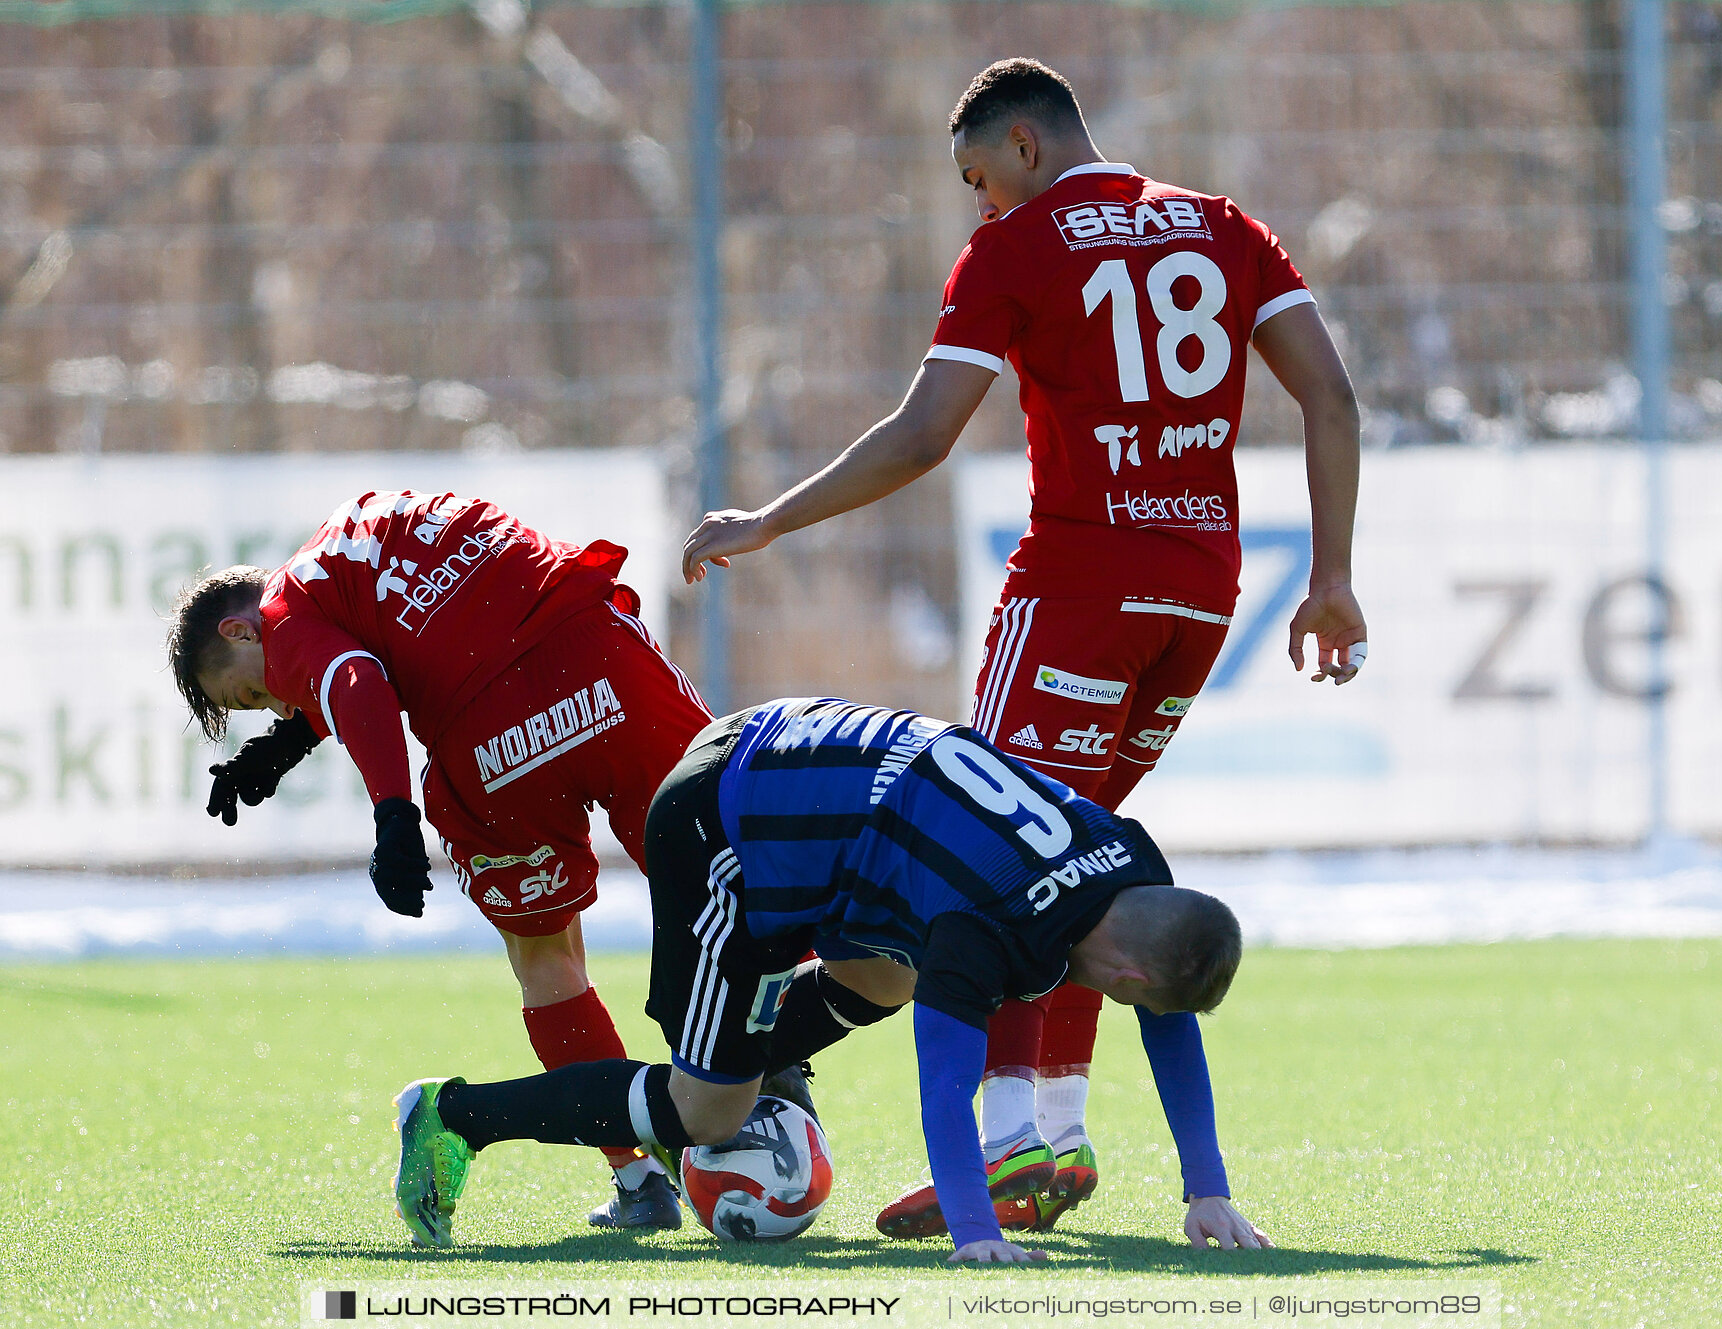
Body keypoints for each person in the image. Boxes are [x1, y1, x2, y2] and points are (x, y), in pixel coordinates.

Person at [680, 57, 1367, 1237]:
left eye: (977, 177)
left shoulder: (1020, 248)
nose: (977, 204)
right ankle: (1055, 1129)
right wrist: (1336, 579)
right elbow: (1334, 400)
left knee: (991, 857)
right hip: (1199, 599)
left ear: (1025, 146)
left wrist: (770, 519)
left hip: (1079, 593)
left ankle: (1006, 1145)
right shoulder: (1223, 227)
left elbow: (921, 436)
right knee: (1083, 852)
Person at [391, 696, 1269, 1260]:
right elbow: (945, 1089)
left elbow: (1170, 1015)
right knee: (707, 1109)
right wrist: (976, 1233)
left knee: (881, 981)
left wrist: (1208, 1187)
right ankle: (453, 1115)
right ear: (1131, 964)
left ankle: (750, 1057)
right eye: (1130, 994)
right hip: (729, 824)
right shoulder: (982, 928)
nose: (1122, 1006)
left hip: (822, 792)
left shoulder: (1135, 862)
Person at [166, 489, 714, 1230]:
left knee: (547, 961)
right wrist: (294, 740)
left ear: (240, 625)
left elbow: (354, 676)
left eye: (255, 692)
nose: (278, 706)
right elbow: (407, 635)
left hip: (493, 739)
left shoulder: (284, 614)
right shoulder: (343, 547)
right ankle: (768, 1109)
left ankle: (639, 1179)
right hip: (598, 660)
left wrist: (393, 814)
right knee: (732, 888)